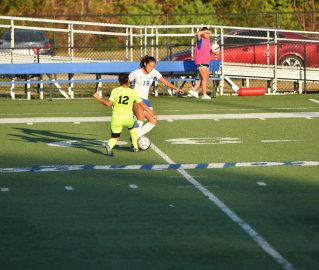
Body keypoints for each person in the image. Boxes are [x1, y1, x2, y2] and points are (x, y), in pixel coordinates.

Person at [93, 73, 155, 156]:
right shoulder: (132, 92)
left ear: (119, 81)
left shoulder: (115, 91)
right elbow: (142, 104)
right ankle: (135, 148)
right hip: (128, 118)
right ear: (128, 81)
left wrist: (98, 98)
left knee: (115, 138)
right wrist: (150, 112)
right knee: (133, 130)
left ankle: (110, 145)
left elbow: (108, 104)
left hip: (116, 119)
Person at [129, 55, 183, 137]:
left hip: (145, 100)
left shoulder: (154, 72)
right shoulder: (136, 72)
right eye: (150, 66)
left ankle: (135, 136)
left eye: (153, 66)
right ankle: (134, 141)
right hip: (136, 99)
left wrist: (177, 88)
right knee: (141, 118)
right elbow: (125, 84)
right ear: (144, 64)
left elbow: (165, 82)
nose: (151, 68)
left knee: (153, 120)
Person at [188, 27, 212, 100]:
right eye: (206, 33)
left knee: (204, 79)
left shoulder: (208, 40)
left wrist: (213, 51)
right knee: (204, 78)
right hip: (201, 62)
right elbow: (198, 33)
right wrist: (205, 31)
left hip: (206, 62)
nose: (208, 34)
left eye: (208, 33)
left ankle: (193, 91)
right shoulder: (200, 39)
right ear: (203, 33)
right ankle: (204, 94)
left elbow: (207, 50)